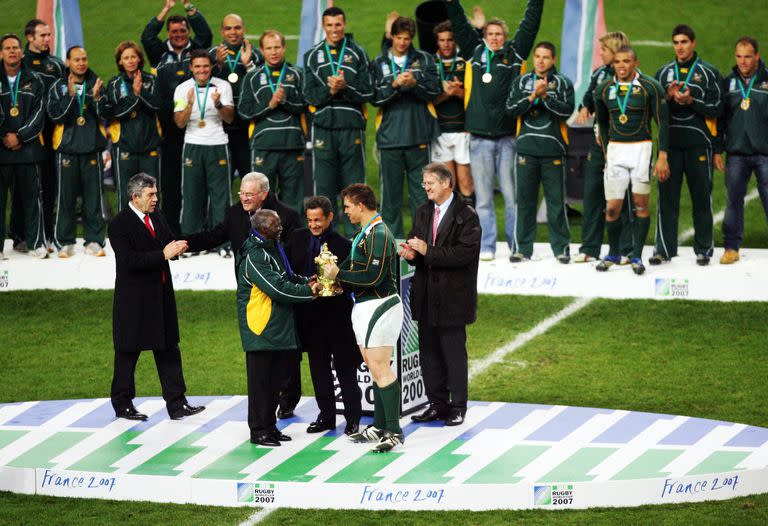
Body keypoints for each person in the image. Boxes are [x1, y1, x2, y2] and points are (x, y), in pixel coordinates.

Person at [446, 0, 544, 261]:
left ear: (505, 37)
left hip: (508, 138)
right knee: (484, 199)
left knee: (512, 197)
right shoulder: (475, 52)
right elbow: (459, 24)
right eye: (490, 34)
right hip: (478, 139)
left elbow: (530, 25)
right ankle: (488, 246)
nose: (495, 38)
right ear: (485, 36)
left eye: (499, 34)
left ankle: (515, 245)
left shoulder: (515, 54)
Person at [109, 173, 205, 421]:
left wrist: (175, 250)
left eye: (156, 193)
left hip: (160, 297)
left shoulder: (157, 216)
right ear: (135, 196)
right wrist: (163, 254)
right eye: (150, 195)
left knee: (169, 349)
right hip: (135, 302)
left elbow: (166, 243)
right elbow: (129, 261)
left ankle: (177, 403)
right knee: (128, 353)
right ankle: (122, 404)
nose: (155, 199)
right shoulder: (119, 224)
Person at [399, 162, 480, 427]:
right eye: (424, 182)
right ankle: (437, 404)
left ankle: (457, 406)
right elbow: (417, 247)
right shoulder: (423, 212)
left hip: (453, 298)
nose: (426, 187)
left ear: (446, 182)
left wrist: (426, 251)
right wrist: (411, 254)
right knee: (429, 354)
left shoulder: (466, 215)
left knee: (453, 355)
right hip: (425, 295)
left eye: (430, 182)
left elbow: (464, 254)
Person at [325, 183, 404, 453]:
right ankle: (381, 426)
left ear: (361, 205)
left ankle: (393, 430)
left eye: (347, 206)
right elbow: (352, 269)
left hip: (380, 305)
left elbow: (374, 276)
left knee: (380, 366)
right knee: (373, 365)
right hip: (366, 306)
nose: (345, 211)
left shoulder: (379, 234)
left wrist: (338, 275)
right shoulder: (365, 233)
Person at [236, 209, 320, 446]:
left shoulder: (271, 246)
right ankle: (258, 430)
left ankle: (270, 426)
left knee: (274, 383)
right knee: (260, 384)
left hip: (276, 326)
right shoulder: (255, 255)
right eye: (276, 225)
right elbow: (277, 289)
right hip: (261, 328)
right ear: (263, 229)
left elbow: (287, 276)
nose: (281, 228)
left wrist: (307, 281)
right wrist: (309, 293)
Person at [285, 195, 362, 436]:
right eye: (310, 220)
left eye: (318, 219)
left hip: (338, 318)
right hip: (309, 318)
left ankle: (352, 419)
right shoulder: (296, 238)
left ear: (330, 217)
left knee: (345, 370)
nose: (313, 225)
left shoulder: (343, 244)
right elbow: (287, 271)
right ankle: (326, 416)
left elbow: (351, 281)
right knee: (318, 370)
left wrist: (336, 284)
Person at [595, 46, 670, 275]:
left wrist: (662, 156)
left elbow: (662, 122)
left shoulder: (650, 87)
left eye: (626, 61)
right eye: (617, 61)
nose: (621, 65)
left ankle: (636, 255)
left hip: (641, 150)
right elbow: (603, 121)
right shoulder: (604, 88)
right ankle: (614, 253)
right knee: (612, 208)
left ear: (635, 63)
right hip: (616, 151)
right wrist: (608, 150)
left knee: (640, 205)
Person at [652, 25, 722, 266]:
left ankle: (704, 249)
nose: (679, 47)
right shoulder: (662, 74)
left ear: (693, 43)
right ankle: (663, 249)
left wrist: (692, 101)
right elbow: (655, 114)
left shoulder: (709, 73)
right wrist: (669, 99)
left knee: (701, 198)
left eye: (684, 42)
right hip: (669, 147)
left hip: (699, 145)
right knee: (667, 199)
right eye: (675, 42)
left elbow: (718, 110)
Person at [141, 0, 212, 235]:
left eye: (182, 30)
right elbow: (147, 36)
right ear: (168, 34)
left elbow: (206, 32)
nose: (179, 35)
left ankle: (199, 227)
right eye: (174, 32)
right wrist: (166, 9)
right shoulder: (159, 54)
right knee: (170, 183)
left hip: (196, 129)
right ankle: (171, 228)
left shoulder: (198, 50)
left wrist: (190, 8)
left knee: (197, 182)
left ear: (188, 31)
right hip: (169, 130)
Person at [303, 6, 372, 235]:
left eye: (338, 24)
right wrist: (329, 90)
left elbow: (368, 91)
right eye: (330, 25)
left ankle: (356, 240)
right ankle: (325, 241)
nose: (334, 29)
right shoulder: (312, 55)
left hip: (351, 126)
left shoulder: (358, 53)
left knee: (354, 189)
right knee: (323, 188)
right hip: (323, 127)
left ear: (344, 25)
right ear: (324, 26)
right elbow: (308, 95)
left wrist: (345, 87)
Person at [371, 16, 440, 238]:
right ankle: (392, 245)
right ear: (391, 36)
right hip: (390, 138)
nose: (402, 42)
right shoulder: (379, 63)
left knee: (422, 195)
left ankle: (422, 242)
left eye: (407, 38)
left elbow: (434, 90)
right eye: (399, 38)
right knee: (390, 197)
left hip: (418, 136)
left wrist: (414, 84)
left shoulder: (425, 59)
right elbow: (373, 98)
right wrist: (395, 85)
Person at [506, 41, 574, 263]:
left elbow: (566, 112)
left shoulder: (563, 83)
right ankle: (521, 249)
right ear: (533, 58)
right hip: (526, 150)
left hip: (554, 151)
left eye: (546, 57)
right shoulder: (521, 81)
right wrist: (533, 96)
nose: (541, 61)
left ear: (553, 60)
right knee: (524, 202)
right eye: (537, 56)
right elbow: (511, 110)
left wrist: (546, 97)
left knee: (556, 204)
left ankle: (561, 249)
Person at [573, 31, 633, 264]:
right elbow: (588, 97)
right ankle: (589, 247)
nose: (600, 53)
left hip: (623, 145)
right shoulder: (599, 73)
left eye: (604, 50)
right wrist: (584, 108)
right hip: (598, 145)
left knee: (623, 197)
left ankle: (626, 248)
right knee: (592, 194)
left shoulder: (631, 78)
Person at [47, 46, 109, 258]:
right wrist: (71, 97)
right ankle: (64, 242)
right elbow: (56, 117)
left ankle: (94, 241)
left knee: (93, 199)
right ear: (68, 62)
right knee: (66, 199)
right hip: (67, 150)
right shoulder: (58, 87)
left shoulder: (97, 83)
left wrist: (97, 99)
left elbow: (105, 115)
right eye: (76, 59)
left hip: (92, 150)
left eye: (84, 58)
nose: (81, 63)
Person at [238, 30, 306, 213]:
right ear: (261, 50)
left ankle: (293, 239)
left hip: (292, 143)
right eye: (268, 48)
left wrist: (285, 101)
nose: (273, 52)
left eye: (277, 47)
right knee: (261, 199)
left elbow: (307, 105)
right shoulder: (252, 77)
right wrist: (270, 104)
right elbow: (243, 112)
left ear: (284, 48)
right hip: (263, 145)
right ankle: (261, 240)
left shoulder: (297, 74)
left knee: (294, 198)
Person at [716, 37, 768, 265]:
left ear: (757, 56)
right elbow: (720, 120)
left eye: (747, 56)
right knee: (733, 201)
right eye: (739, 56)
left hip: (765, 153)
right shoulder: (728, 83)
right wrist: (718, 150)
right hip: (736, 154)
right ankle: (731, 248)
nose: (743, 61)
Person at [14, 19, 65, 253]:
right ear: (30, 37)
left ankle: (44, 235)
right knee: (20, 186)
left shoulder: (56, 65)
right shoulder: (18, 63)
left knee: (47, 185)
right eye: (42, 35)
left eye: (49, 35)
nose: (47, 39)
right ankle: (18, 234)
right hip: (21, 133)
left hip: (48, 134)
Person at [173, 49, 234, 241]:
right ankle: (191, 240)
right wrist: (190, 104)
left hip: (218, 144)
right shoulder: (182, 89)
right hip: (193, 144)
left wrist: (217, 105)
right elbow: (179, 122)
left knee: (220, 196)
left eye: (206, 66)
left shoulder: (222, 86)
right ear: (191, 67)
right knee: (191, 195)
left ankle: (221, 241)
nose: (202, 70)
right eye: (197, 66)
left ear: (212, 67)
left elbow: (230, 118)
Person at [0, 33, 47, 259]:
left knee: (31, 198)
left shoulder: (34, 79)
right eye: (7, 48)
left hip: (27, 149)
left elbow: (39, 115)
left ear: (21, 52)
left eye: (15, 48)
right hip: (1, 150)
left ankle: (35, 243)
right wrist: (4, 136)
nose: (12, 51)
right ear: (1, 53)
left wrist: (19, 136)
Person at [185, 171, 301, 262]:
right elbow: (213, 237)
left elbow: (298, 253)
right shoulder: (235, 213)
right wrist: (183, 243)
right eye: (242, 193)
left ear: (263, 194)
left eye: (249, 194)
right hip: (245, 287)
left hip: (277, 285)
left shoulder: (288, 216)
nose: (244, 198)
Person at [104, 41, 162, 210]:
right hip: (124, 148)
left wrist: (140, 92)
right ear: (120, 61)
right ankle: (126, 234)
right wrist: (135, 95)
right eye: (126, 57)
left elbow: (157, 105)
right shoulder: (114, 84)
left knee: (152, 195)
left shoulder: (151, 80)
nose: (130, 60)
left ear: (139, 59)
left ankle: (153, 234)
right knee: (126, 194)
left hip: (149, 147)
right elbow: (117, 112)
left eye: (133, 57)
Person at [209, 13, 262, 181]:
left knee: (251, 178)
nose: (233, 32)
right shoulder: (212, 55)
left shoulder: (257, 54)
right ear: (222, 32)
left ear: (244, 29)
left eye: (237, 27)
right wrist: (217, 65)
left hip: (248, 126)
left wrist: (249, 65)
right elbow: (202, 84)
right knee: (222, 179)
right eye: (228, 28)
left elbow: (263, 86)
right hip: (220, 126)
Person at [431, 21, 472, 204]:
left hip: (462, 130)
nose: (446, 44)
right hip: (440, 131)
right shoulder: (430, 64)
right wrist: (445, 94)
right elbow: (427, 100)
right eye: (442, 40)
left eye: (449, 40)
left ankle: (470, 226)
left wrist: (458, 92)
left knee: (466, 184)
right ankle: (452, 229)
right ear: (437, 41)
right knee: (448, 185)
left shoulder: (466, 64)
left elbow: (475, 98)